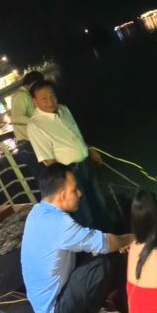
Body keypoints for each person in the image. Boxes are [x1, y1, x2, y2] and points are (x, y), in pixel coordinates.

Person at [20, 163, 134, 313]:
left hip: (43, 302)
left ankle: (87, 305)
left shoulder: (37, 212)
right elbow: (107, 243)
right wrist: (132, 238)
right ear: (62, 195)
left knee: (98, 250)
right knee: (102, 260)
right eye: (75, 190)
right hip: (56, 310)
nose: (80, 194)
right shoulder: (59, 223)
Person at [26, 80, 110, 230]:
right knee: (85, 215)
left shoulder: (64, 110)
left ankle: (110, 240)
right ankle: (95, 252)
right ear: (34, 101)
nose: (50, 101)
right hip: (69, 173)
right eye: (44, 99)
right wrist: (67, 181)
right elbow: (48, 160)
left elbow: (77, 134)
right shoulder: (35, 126)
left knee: (100, 205)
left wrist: (90, 150)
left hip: (85, 165)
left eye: (52, 96)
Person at [10, 71, 43, 186]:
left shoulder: (27, 95)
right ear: (33, 83)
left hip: (32, 144)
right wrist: (37, 122)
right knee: (45, 180)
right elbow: (15, 117)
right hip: (28, 145)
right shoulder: (21, 95)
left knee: (47, 179)